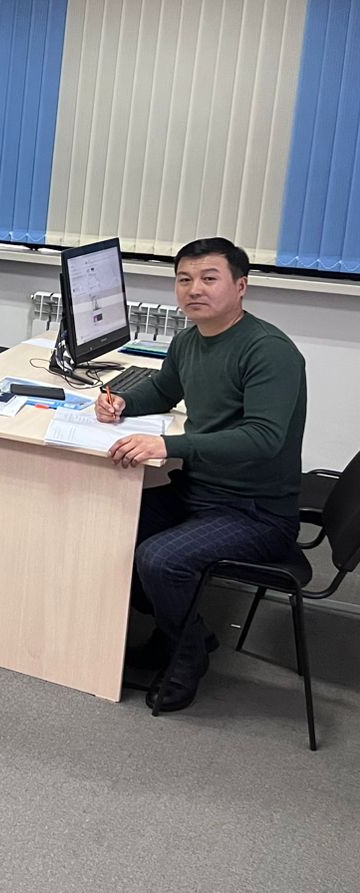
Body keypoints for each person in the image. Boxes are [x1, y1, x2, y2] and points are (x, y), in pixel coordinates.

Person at [95, 238, 307, 713]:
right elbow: (162, 390)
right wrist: (123, 402)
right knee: (108, 524)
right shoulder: (189, 340)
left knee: (159, 559)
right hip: (199, 491)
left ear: (241, 286)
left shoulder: (269, 351)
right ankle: (180, 627)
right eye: (184, 279)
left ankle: (187, 653)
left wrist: (168, 446)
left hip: (257, 511)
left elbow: (263, 438)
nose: (194, 289)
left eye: (209, 278)